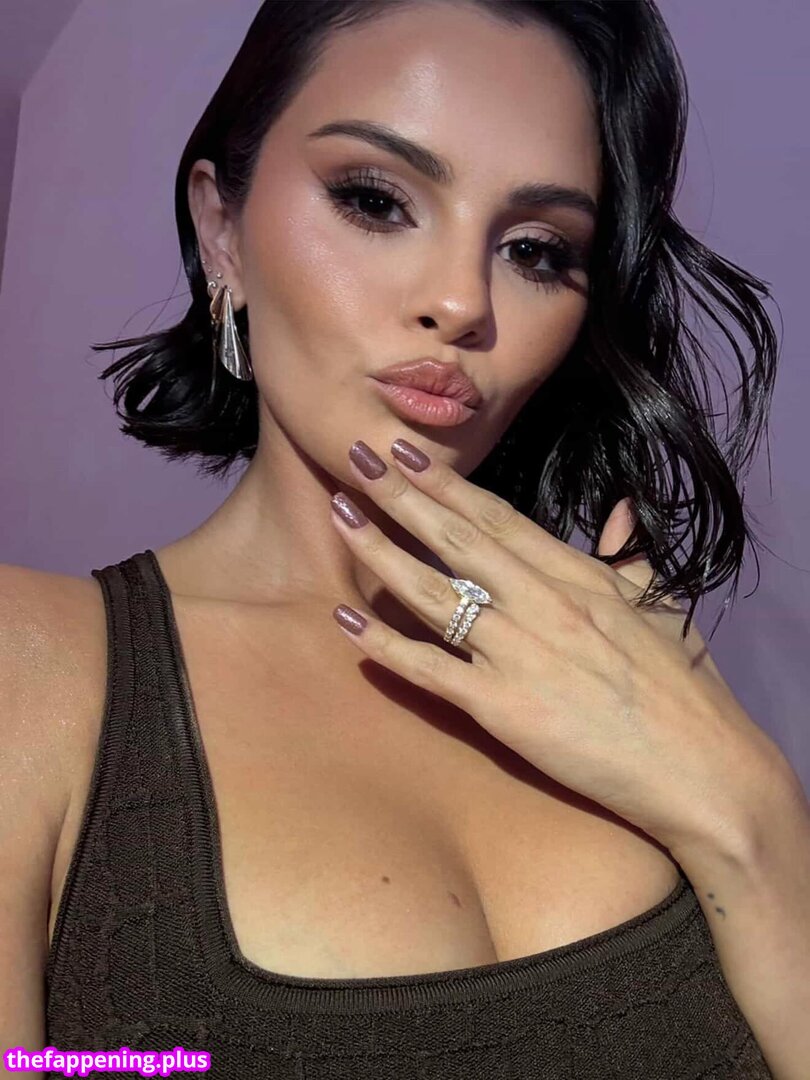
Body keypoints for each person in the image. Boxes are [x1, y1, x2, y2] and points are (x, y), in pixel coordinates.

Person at [2, 1, 799, 1076]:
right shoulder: (33, 668)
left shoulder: (632, 668)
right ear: (222, 230)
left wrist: (750, 807)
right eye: (375, 200)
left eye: (535, 250)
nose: (460, 301)